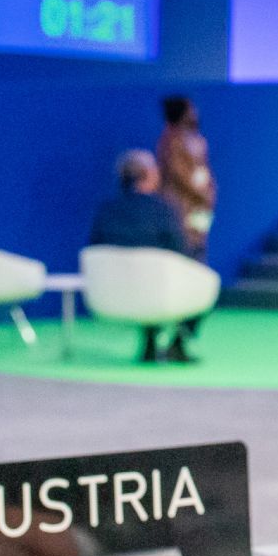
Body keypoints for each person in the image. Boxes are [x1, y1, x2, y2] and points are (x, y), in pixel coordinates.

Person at [88, 149, 200, 364]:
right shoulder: (164, 210)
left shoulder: (106, 210)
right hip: (156, 287)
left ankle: (152, 340)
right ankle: (177, 344)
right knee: (195, 274)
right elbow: (181, 251)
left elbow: (94, 245)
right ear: (149, 174)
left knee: (153, 276)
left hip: (112, 290)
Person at [156, 95, 215, 261]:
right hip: (180, 203)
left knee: (199, 243)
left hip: (201, 206)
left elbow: (204, 169)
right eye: (191, 109)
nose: (195, 112)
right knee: (183, 245)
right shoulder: (169, 140)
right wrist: (198, 193)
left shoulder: (198, 140)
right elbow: (177, 172)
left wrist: (209, 193)